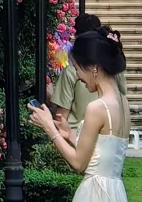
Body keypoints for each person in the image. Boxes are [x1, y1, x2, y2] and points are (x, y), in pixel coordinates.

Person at [29, 28, 128, 201]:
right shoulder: (123, 102)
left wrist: (49, 127)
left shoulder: (97, 107)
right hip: (114, 191)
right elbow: (104, 153)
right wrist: (70, 135)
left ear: (93, 67)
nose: (78, 76)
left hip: (95, 192)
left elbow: (78, 163)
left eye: (77, 68)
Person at [53, 14, 127, 132]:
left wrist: (50, 128)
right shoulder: (114, 70)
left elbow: (61, 116)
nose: (78, 76)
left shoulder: (71, 72)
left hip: (76, 134)